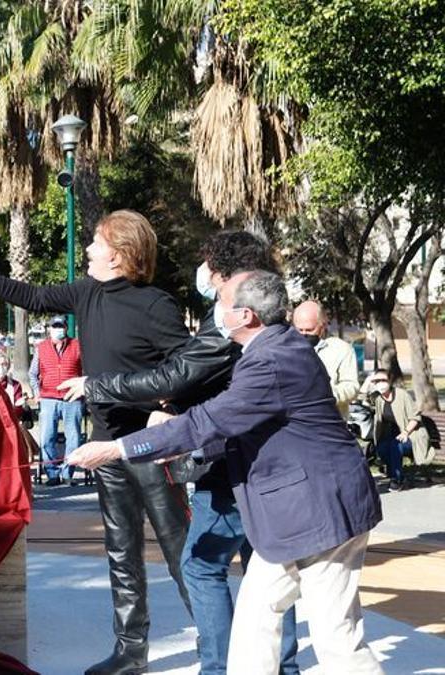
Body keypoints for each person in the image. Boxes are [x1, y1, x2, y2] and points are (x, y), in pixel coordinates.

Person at [69, 270, 384, 674]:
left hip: (322, 515)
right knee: (255, 626)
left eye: (223, 301)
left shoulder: (270, 359)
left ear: (245, 316)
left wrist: (118, 448)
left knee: (337, 639)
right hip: (294, 519)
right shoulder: (276, 346)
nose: (215, 309)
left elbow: (210, 420)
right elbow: (246, 426)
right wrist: (178, 441)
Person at [0, 210, 192, 675]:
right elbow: (34, 296)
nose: (89, 251)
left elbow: (184, 368)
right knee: (121, 554)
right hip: (105, 447)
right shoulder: (87, 293)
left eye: (96, 244)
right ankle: (130, 652)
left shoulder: (157, 306)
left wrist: (169, 406)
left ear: (118, 254)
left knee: (180, 552)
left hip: (151, 448)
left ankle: (219, 643)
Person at [67, 230, 300, 675]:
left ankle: (223, 665)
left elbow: (177, 376)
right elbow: (196, 384)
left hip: (239, 463)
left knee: (200, 564)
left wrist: (101, 389)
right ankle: (274, 667)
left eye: (209, 267)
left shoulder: (233, 323)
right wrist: (173, 406)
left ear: (227, 276)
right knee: (268, 571)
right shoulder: (262, 324)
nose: (203, 275)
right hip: (251, 462)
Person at [29, 315, 83, 486]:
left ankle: (68, 473)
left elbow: (85, 371)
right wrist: (37, 393)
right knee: (46, 438)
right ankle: (52, 474)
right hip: (48, 399)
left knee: (74, 438)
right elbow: (33, 373)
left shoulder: (77, 346)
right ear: (49, 329)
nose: (58, 329)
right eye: (55, 326)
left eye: (60, 326)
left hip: (72, 398)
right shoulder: (41, 348)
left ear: (66, 328)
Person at [365, 369, 433, 490]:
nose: (379, 383)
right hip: (392, 436)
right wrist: (368, 382)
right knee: (381, 448)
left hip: (412, 435)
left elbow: (415, 417)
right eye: (376, 381)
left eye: (382, 380)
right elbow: (362, 396)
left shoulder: (402, 395)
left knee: (395, 446)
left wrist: (406, 432)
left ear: (390, 381)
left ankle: (397, 479)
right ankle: (394, 474)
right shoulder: (379, 399)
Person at [292, 300, 360, 419]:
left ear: (322, 326)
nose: (304, 334)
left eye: (309, 330)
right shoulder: (287, 348)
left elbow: (352, 386)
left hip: (329, 421)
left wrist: (327, 394)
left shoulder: (341, 349)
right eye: (300, 330)